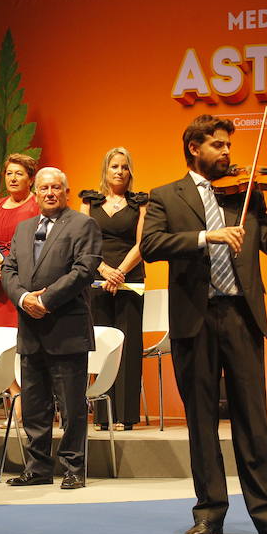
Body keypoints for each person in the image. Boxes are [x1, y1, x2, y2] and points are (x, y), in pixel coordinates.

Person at [140, 114, 267, 534]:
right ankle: (210, 512)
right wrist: (206, 237)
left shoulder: (245, 195)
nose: (228, 153)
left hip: (240, 315)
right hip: (194, 319)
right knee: (200, 419)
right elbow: (151, 245)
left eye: (229, 146)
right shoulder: (166, 196)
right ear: (194, 148)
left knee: (253, 419)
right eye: (218, 145)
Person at [1, 167, 101, 489]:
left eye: (56, 188)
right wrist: (23, 298)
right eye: (44, 188)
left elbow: (84, 270)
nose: (49, 193)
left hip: (66, 329)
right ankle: (38, 468)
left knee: (71, 407)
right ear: (37, 192)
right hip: (30, 329)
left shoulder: (83, 225)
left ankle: (74, 469)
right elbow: (9, 269)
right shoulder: (24, 227)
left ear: (66, 192)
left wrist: (47, 300)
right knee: (34, 406)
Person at [80, 147, 148, 431]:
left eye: (124, 167)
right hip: (96, 280)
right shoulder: (89, 202)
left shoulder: (140, 203)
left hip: (129, 280)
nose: (119, 171)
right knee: (101, 346)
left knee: (128, 346)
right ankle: (104, 415)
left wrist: (119, 272)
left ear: (130, 171)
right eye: (114, 166)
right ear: (105, 171)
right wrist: (104, 269)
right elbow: (82, 243)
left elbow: (144, 243)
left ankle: (125, 416)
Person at [0, 153, 39, 427]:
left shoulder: (37, 206)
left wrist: (10, 270)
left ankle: (30, 406)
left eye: (19, 174)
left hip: (21, 286)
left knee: (23, 346)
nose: (13, 178)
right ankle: (16, 400)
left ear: (30, 179)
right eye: (9, 173)